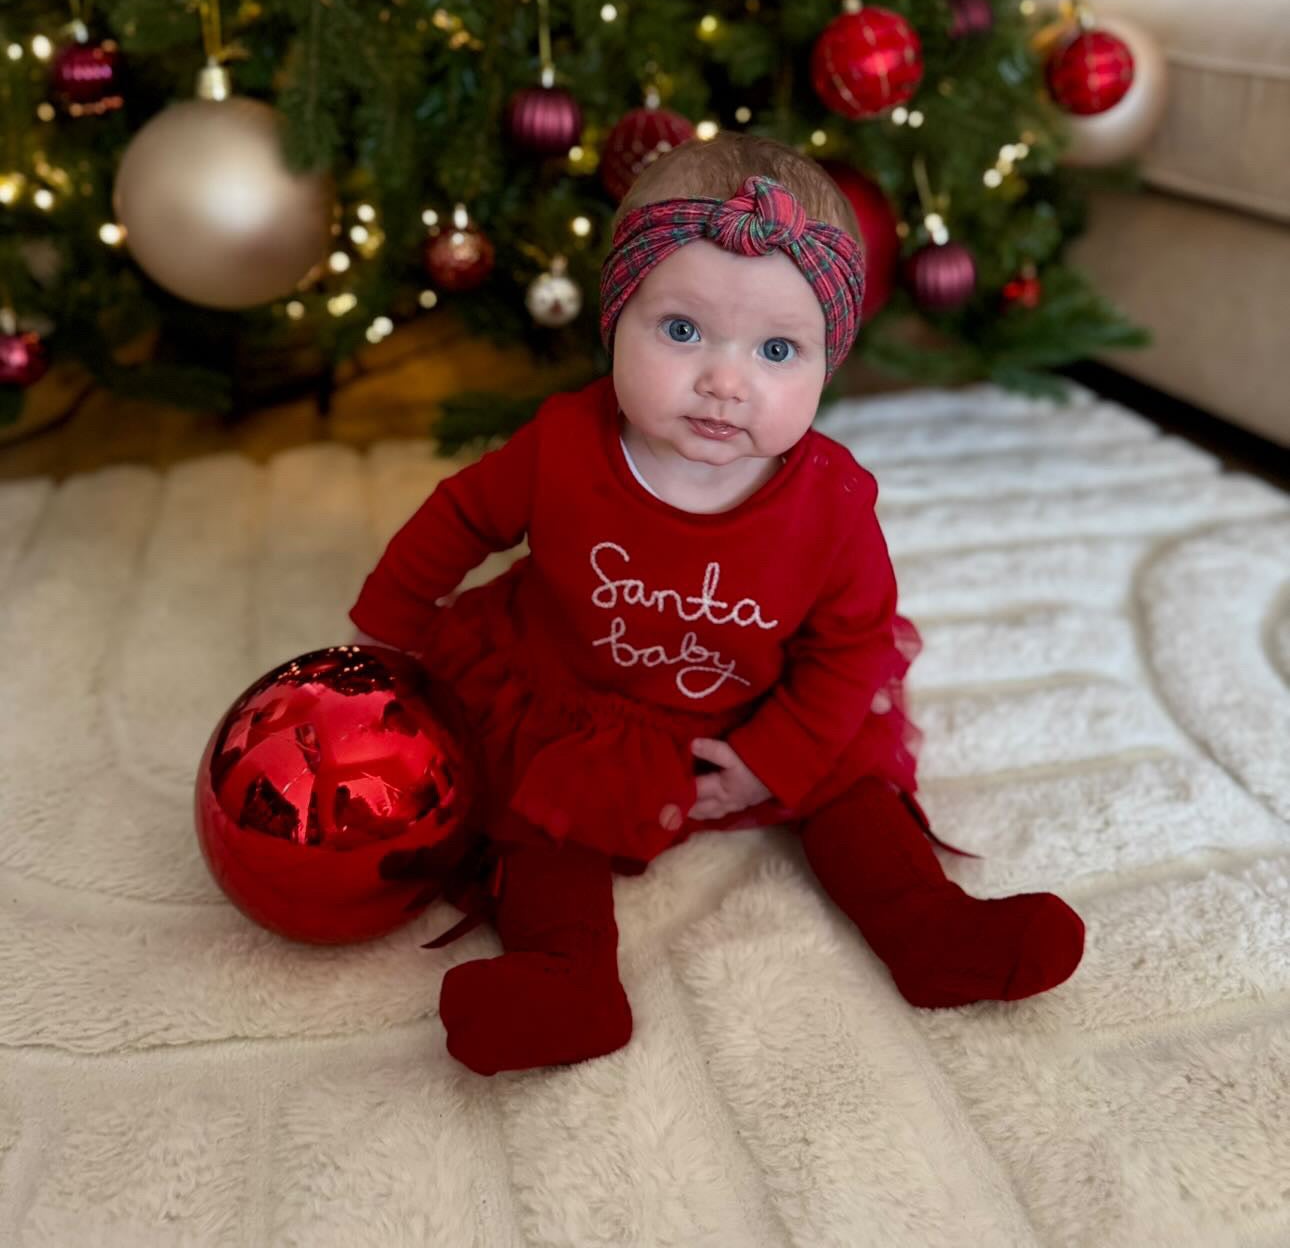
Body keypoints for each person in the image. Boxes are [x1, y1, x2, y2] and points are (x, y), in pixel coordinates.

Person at [349, 135, 1085, 1075]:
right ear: (615, 319)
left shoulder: (830, 503)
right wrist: (388, 624)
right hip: (581, 700)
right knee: (539, 818)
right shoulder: (563, 448)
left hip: (760, 708)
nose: (725, 382)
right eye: (683, 331)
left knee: (854, 791)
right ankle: (565, 977)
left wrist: (768, 757)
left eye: (777, 349)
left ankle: (930, 930)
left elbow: (851, 647)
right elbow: (457, 520)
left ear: (828, 363)